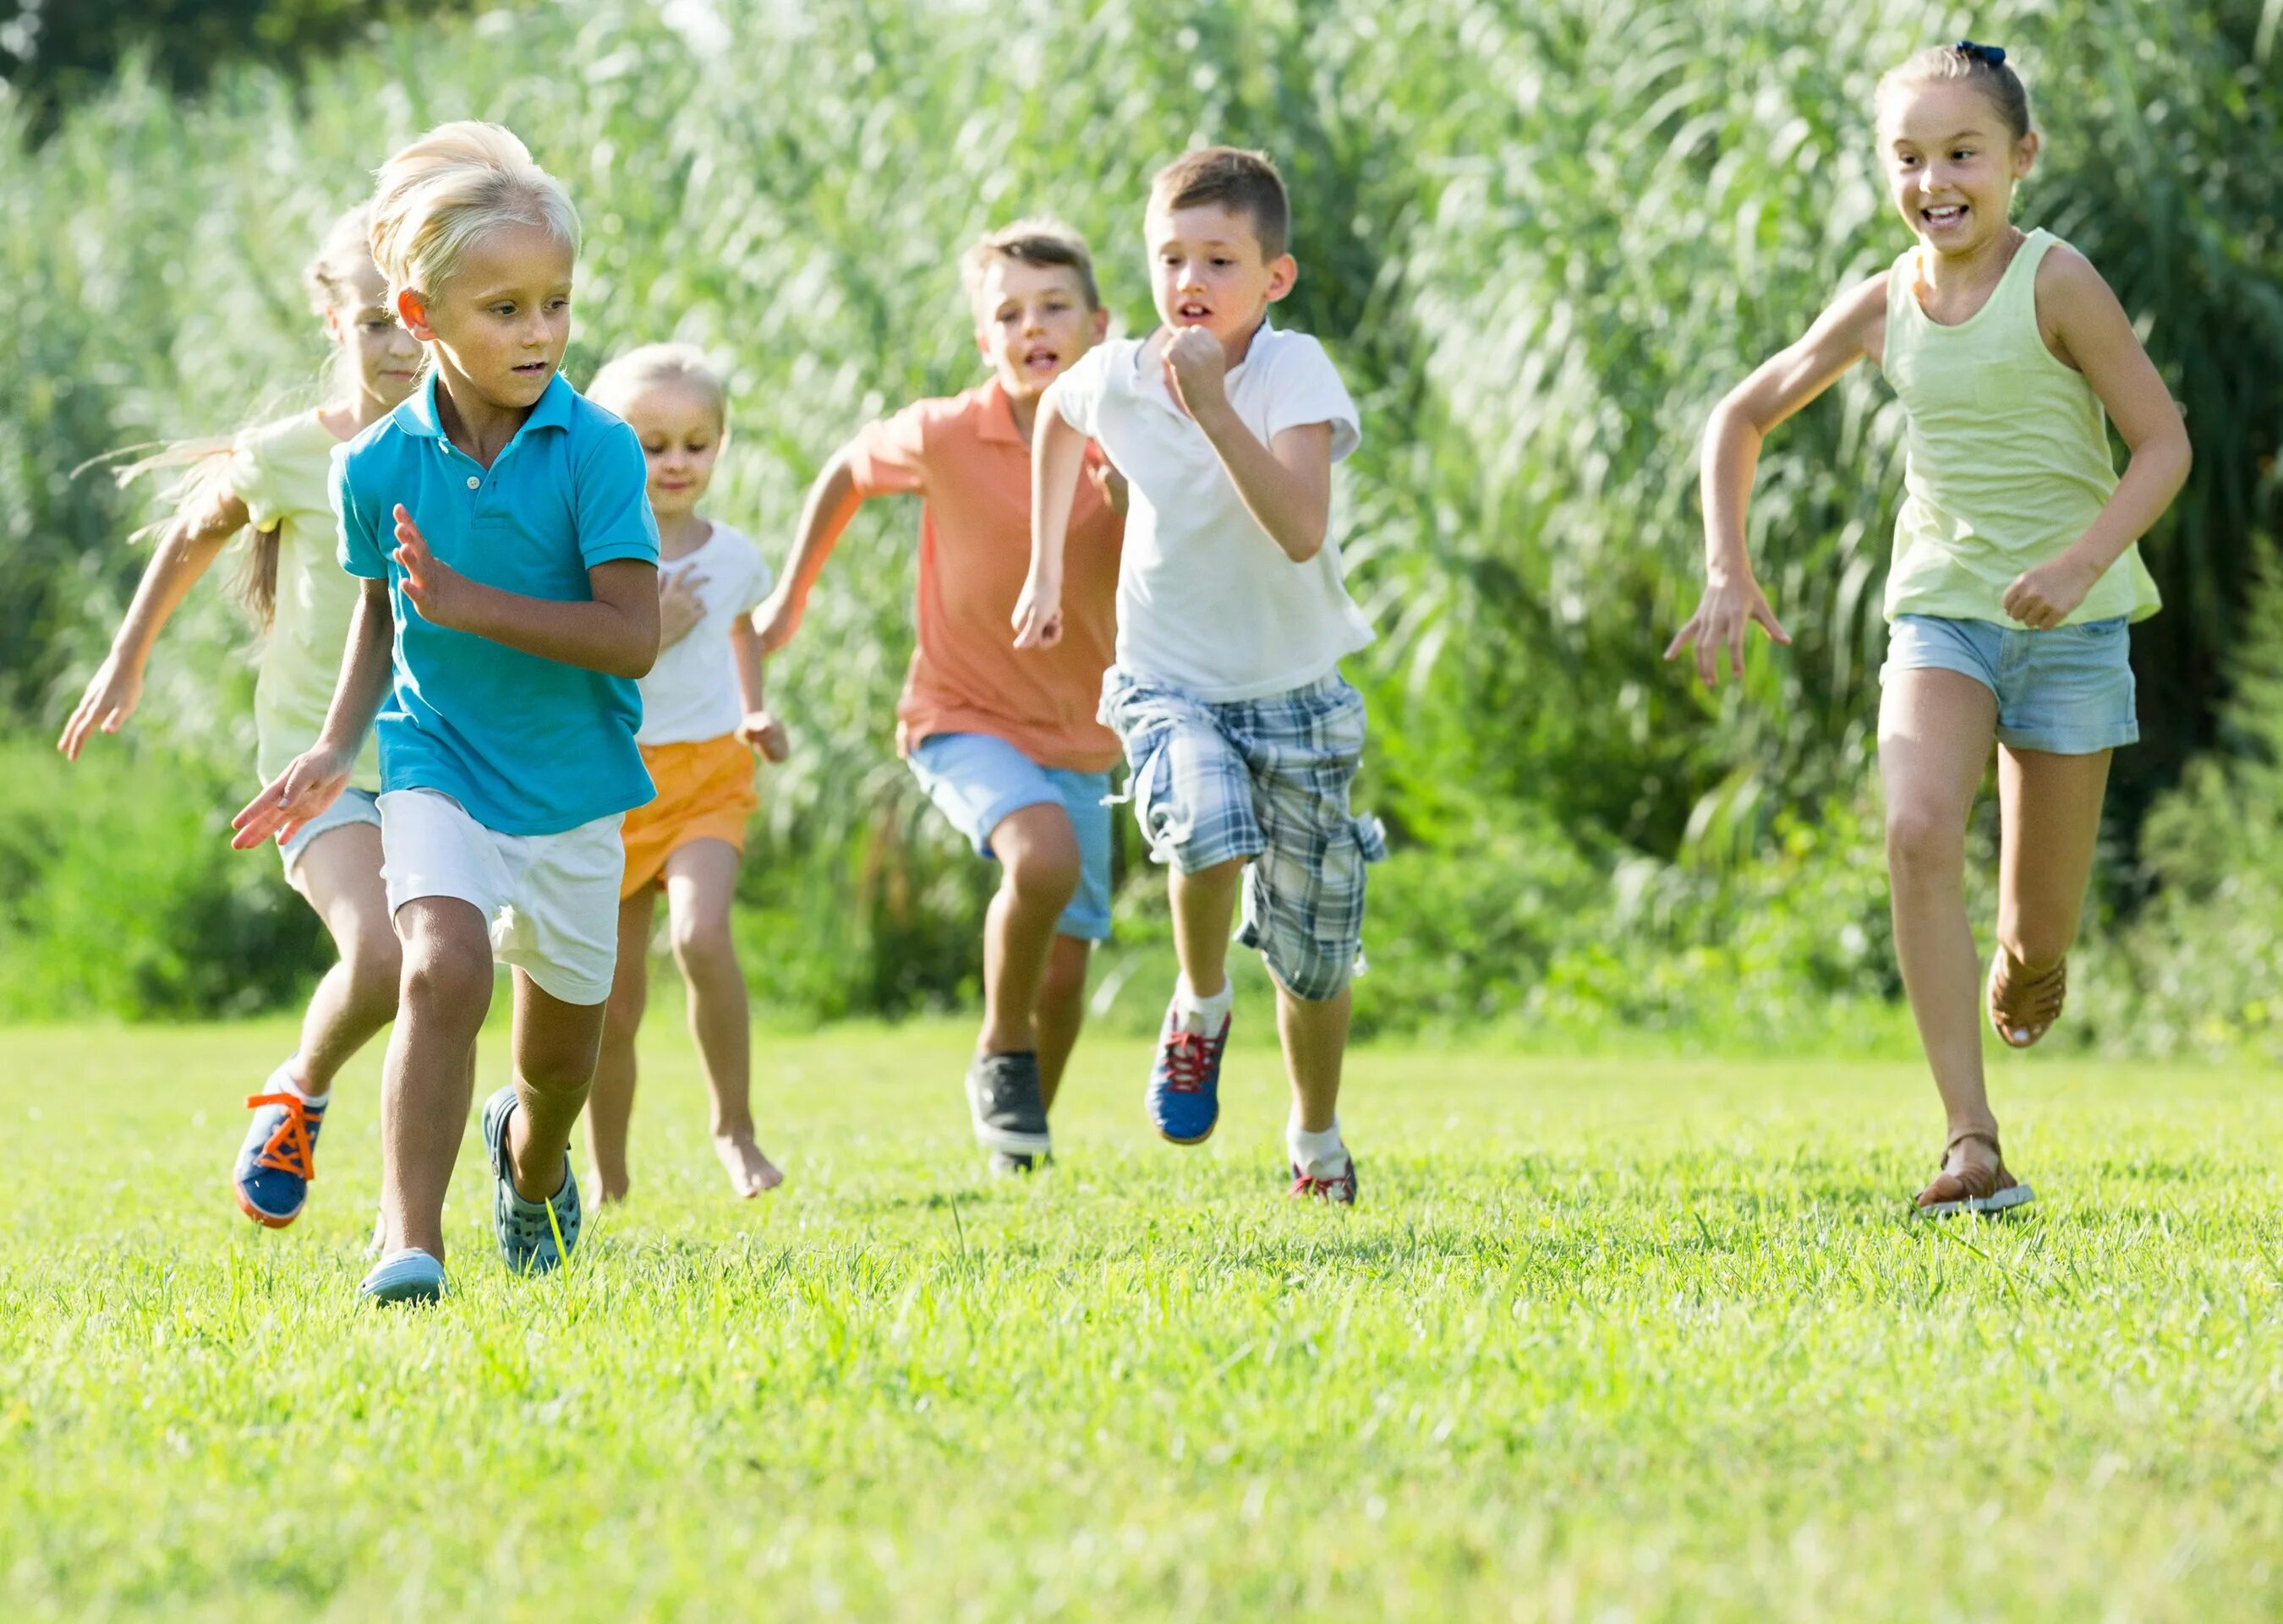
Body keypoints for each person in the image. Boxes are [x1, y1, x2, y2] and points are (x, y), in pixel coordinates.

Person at [1668, 42, 2190, 1215]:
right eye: (1909, 157)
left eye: (1962, 153)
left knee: (2038, 937)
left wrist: (2081, 560)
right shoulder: (1882, 301)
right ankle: (1971, 1140)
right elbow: (1740, 415)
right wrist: (1726, 565)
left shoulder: (2057, 283)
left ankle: (2027, 961)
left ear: (2020, 159)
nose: (1935, 180)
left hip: (2073, 622)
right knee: (1913, 828)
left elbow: (2164, 443)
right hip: (1944, 612)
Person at [233, 121, 663, 1302]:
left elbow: (633, 634)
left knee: (558, 1070)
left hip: (575, 784)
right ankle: (405, 1242)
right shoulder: (373, 465)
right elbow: (383, 621)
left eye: (556, 304)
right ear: (420, 317)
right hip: (435, 758)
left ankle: (530, 1171)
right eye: (505, 309)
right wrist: (333, 743)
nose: (540, 334)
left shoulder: (600, 449)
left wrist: (472, 604)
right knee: (440, 965)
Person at [1016, 149, 1381, 1204]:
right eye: (1171, 256)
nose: (1191, 279)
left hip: (1298, 691)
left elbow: (1302, 529)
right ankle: (1200, 1002)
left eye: (1219, 259)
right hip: (1167, 678)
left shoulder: (1291, 372)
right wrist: (1046, 565)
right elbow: (1054, 416)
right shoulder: (1119, 372)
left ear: (1275, 278)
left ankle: (1315, 1137)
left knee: (1315, 960)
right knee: (1208, 825)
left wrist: (1215, 408)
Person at [59, 204, 421, 1230]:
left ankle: (521, 1147)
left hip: (451, 756)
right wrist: (127, 658)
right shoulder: (290, 454)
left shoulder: (478, 440)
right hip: (318, 765)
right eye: (373, 322)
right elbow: (192, 527)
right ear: (332, 320)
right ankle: (299, 1091)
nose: (398, 345)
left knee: (466, 972)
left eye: (414, 319)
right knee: (386, 961)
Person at [756, 221, 1124, 1174]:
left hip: (1089, 730)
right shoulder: (946, 432)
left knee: (1070, 963)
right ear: (982, 341)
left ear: (1100, 325)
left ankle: (1022, 1134)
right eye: (1008, 313)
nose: (1032, 327)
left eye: (1054, 308)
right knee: (1037, 857)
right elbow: (844, 467)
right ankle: (1000, 1050)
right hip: (959, 714)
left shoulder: (1130, 430)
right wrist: (791, 598)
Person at [583, 342, 787, 1202]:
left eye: (695, 443)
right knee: (611, 998)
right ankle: (609, 1176)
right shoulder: (588, 553)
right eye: (651, 442)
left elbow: (740, 626)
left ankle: (735, 1132)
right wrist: (650, 628)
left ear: (719, 446)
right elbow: (577, 661)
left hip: (709, 771)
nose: (675, 462)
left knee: (703, 936)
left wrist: (755, 705)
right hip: (610, 782)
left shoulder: (734, 554)